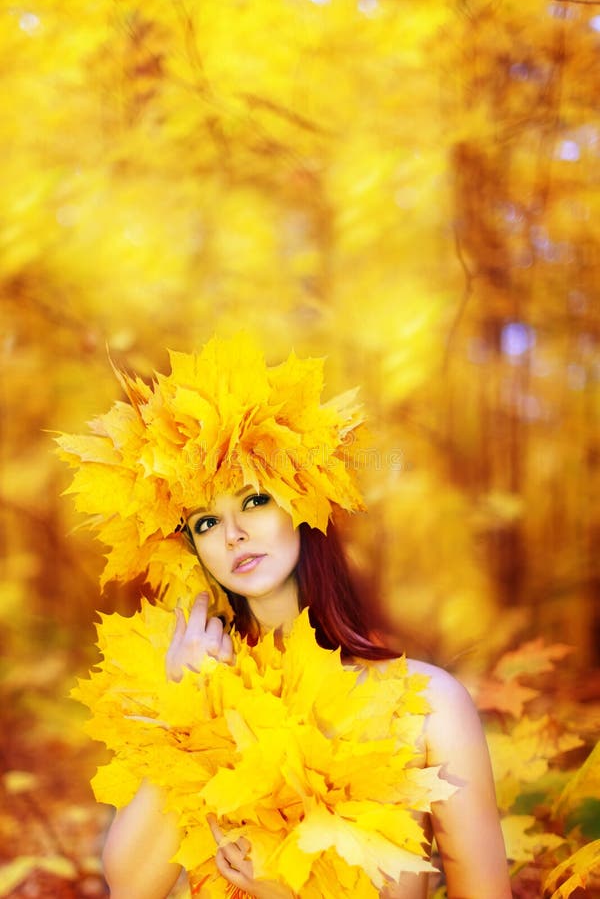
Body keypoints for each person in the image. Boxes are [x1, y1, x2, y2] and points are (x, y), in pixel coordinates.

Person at [58, 334, 511, 899]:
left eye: (253, 500)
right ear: (193, 550)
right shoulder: (189, 683)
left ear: (301, 502)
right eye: (204, 522)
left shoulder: (427, 703)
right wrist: (189, 711)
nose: (233, 534)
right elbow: (132, 887)